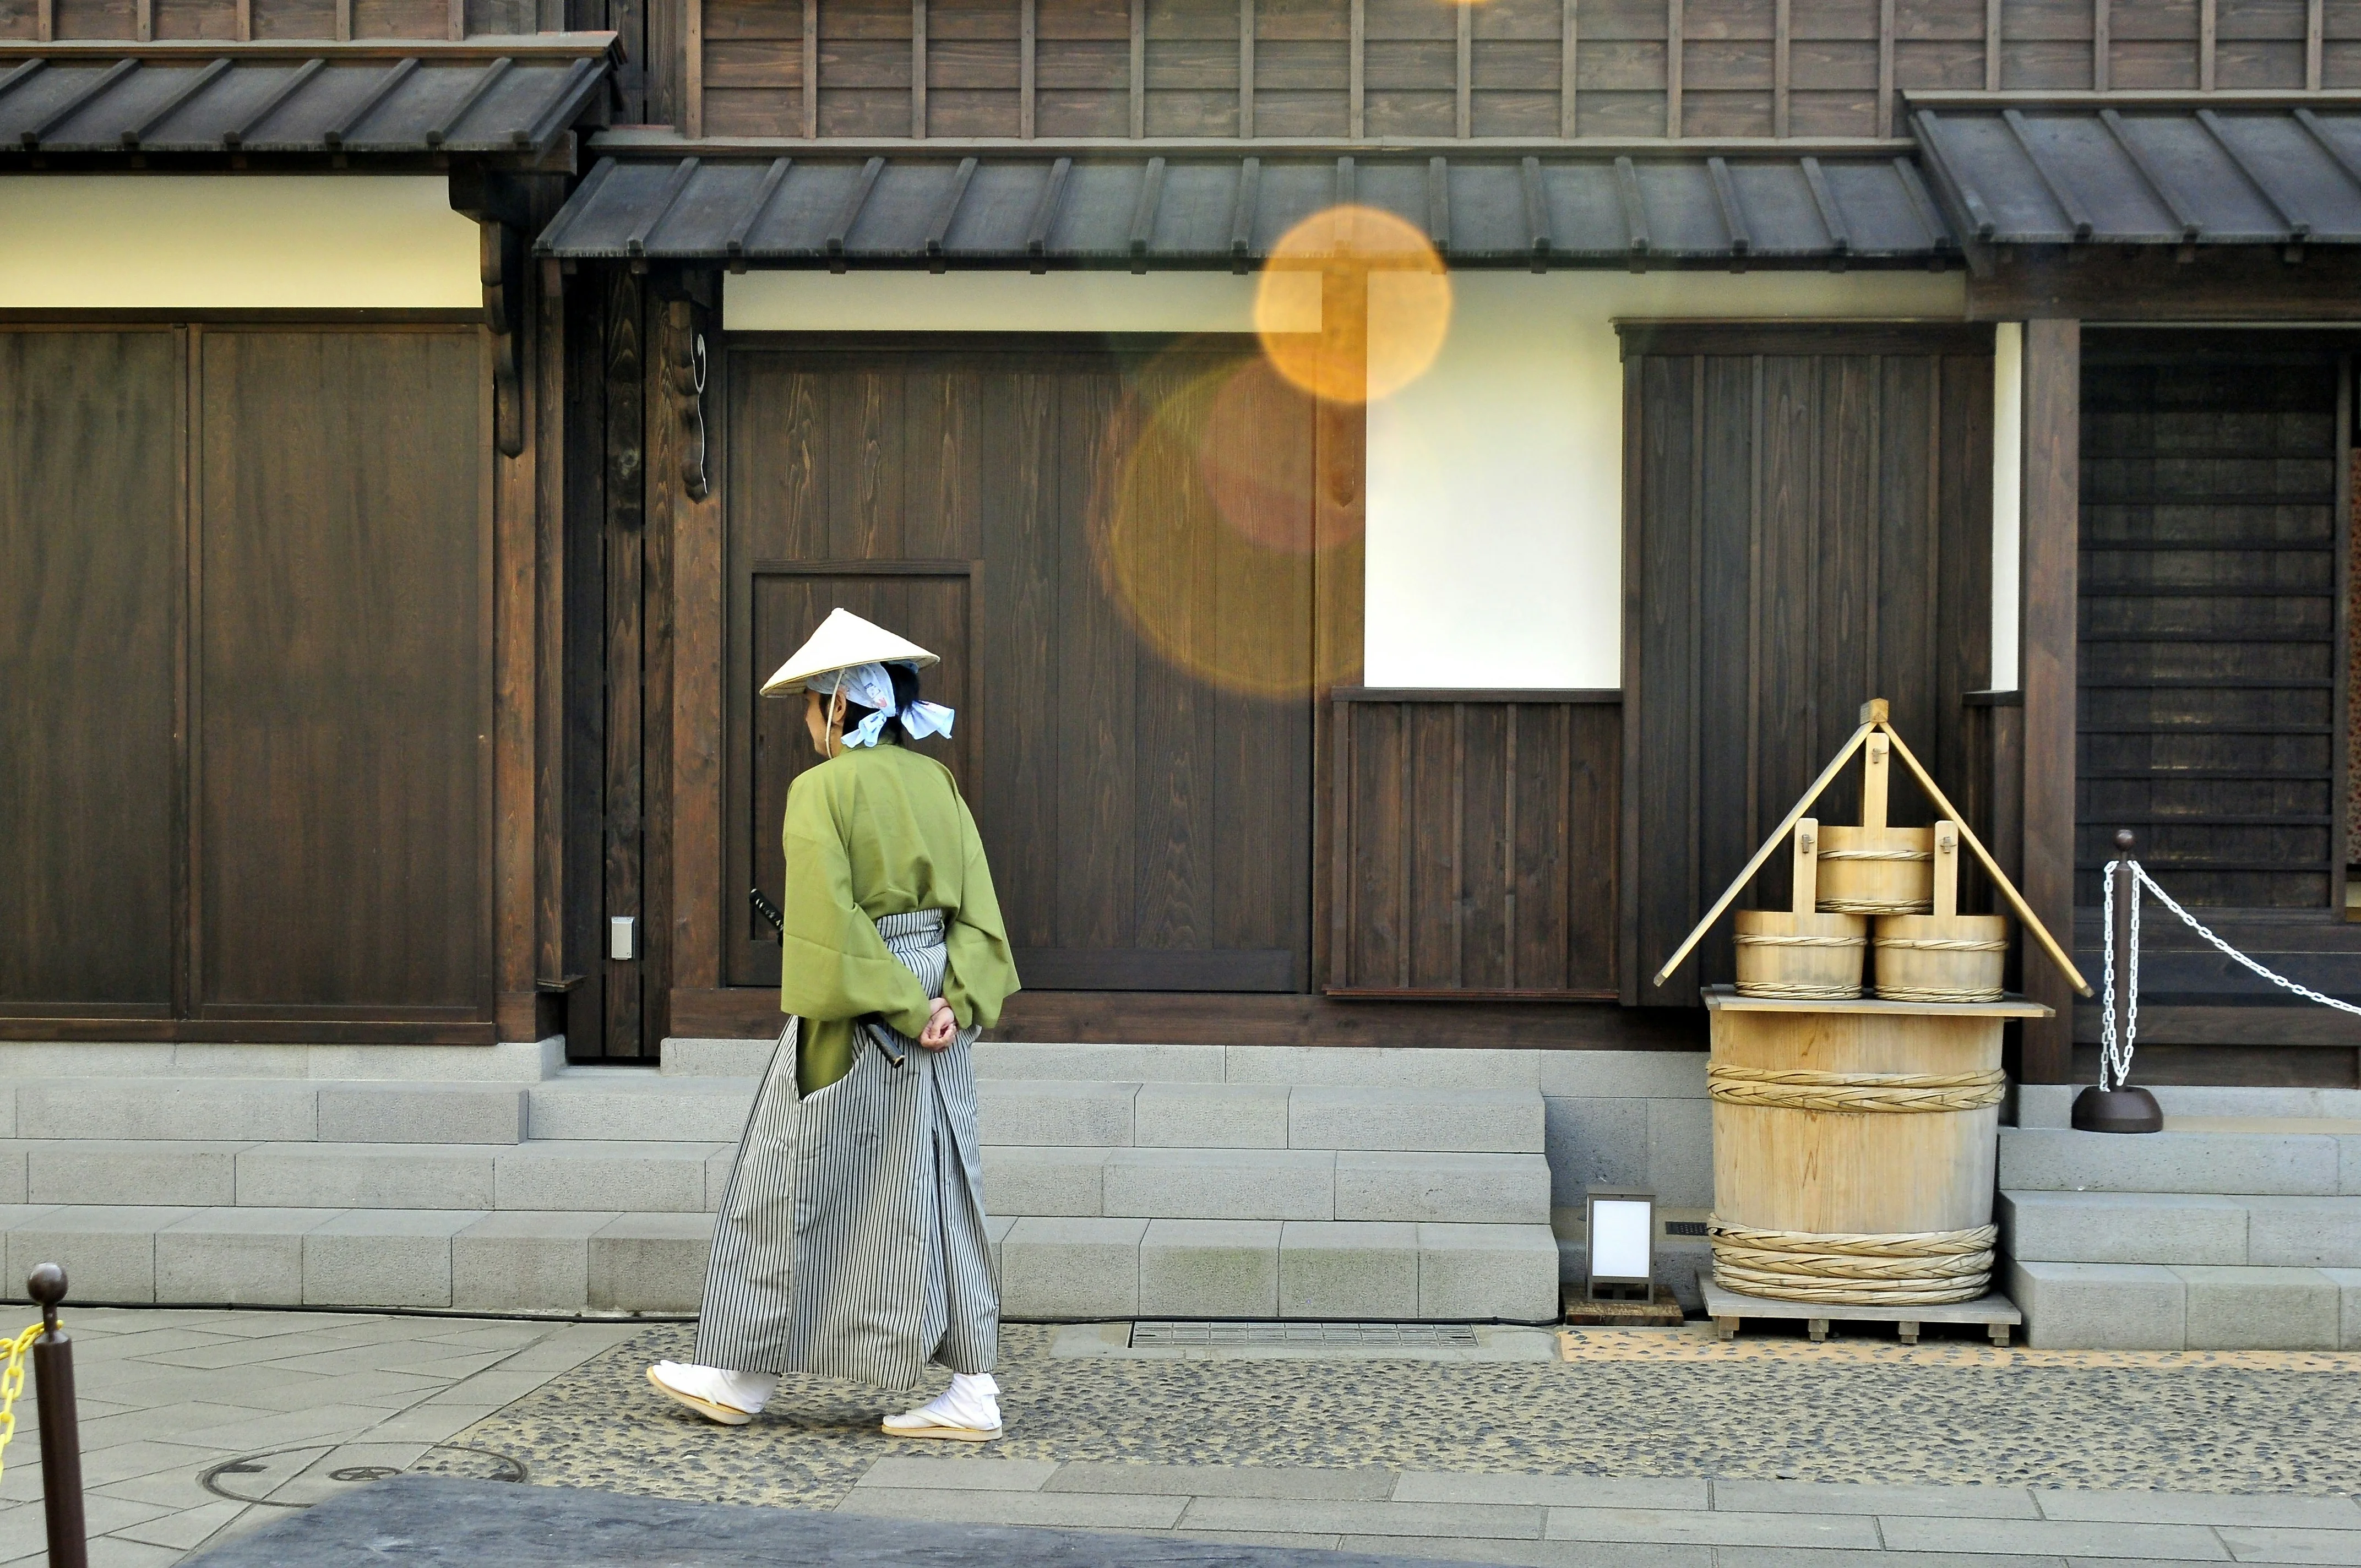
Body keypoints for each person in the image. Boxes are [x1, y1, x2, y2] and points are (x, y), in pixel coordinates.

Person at [646, 608, 1020, 1441]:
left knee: (793, 1177)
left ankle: (741, 1372)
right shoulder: (938, 784)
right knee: (938, 1187)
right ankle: (972, 1386)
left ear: (841, 713)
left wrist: (898, 1003)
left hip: (862, 1011)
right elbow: (981, 912)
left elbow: (828, 920)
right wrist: (951, 1001)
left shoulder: (819, 790)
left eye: (813, 711)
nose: (809, 727)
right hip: (939, 1017)